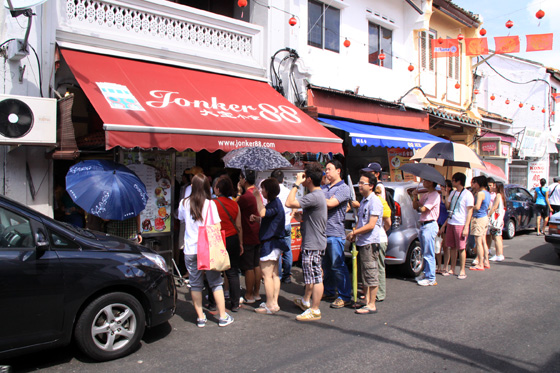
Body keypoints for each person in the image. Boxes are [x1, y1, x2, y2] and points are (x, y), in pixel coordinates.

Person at [178, 173, 234, 328]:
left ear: (192, 186)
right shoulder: (210, 204)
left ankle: (200, 318)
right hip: (208, 249)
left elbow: (181, 219)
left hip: (190, 248)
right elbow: (218, 226)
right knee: (215, 282)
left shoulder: (184, 203)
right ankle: (222, 316)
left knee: (195, 284)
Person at [286, 162, 327, 322]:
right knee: (311, 276)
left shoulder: (314, 196)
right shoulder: (317, 195)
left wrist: (296, 184)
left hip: (313, 243)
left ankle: (315, 309)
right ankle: (305, 301)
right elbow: (315, 218)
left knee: (315, 278)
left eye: (304, 177)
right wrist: (301, 218)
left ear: (308, 179)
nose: (302, 179)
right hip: (315, 241)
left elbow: (289, 202)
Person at [252, 178, 290, 314]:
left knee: (267, 275)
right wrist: (258, 219)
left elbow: (262, 213)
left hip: (270, 243)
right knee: (274, 275)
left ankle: (270, 304)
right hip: (275, 242)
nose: (261, 191)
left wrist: (257, 197)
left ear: (268, 191)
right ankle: (274, 302)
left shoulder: (274, 203)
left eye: (263, 189)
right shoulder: (275, 203)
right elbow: (267, 217)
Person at [346, 173, 382, 314]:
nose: (360, 185)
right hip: (362, 242)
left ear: (371, 186)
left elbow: (371, 224)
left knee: (371, 272)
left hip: (370, 242)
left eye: (363, 183)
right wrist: (356, 233)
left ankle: (372, 304)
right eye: (359, 183)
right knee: (365, 273)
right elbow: (361, 222)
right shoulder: (364, 201)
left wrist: (355, 233)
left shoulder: (375, 201)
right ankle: (366, 301)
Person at [322, 160, 353, 309]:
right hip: (323, 233)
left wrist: (318, 198)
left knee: (338, 266)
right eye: (326, 169)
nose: (326, 172)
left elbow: (330, 204)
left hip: (335, 233)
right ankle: (328, 291)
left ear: (338, 171)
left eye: (329, 169)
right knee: (326, 266)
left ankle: (345, 295)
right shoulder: (325, 188)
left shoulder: (343, 188)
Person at [214, 175, 244, 312]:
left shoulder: (213, 203)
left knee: (214, 271)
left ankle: (213, 302)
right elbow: (239, 227)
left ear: (218, 189)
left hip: (217, 240)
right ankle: (235, 303)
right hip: (232, 239)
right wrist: (241, 243)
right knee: (233, 272)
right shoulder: (235, 204)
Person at [237, 170, 262, 303]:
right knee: (256, 264)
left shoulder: (246, 196)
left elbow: (235, 206)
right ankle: (257, 293)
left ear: (244, 180)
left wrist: (238, 192)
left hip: (248, 234)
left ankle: (249, 294)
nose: (239, 181)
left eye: (240, 178)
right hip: (258, 232)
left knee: (249, 267)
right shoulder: (257, 192)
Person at [443, 172, 474, 280]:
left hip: (460, 223)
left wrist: (466, 226)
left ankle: (462, 270)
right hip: (451, 222)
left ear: (458, 181)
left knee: (461, 248)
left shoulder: (468, 194)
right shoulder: (453, 193)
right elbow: (448, 206)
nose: (452, 182)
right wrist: (446, 195)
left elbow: (470, 211)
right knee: (452, 246)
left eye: (453, 180)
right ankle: (452, 268)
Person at [412, 179, 440, 286]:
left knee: (429, 252)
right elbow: (416, 206)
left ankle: (431, 277)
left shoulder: (435, 195)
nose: (424, 182)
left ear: (432, 182)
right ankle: (426, 273)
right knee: (425, 252)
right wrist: (415, 196)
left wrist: (419, 205)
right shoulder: (427, 194)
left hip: (430, 224)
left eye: (426, 180)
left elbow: (423, 209)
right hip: (424, 225)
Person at [270, 170, 294, 284]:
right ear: (283, 179)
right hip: (287, 223)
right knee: (287, 249)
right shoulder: (289, 191)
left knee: (277, 251)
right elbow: (294, 206)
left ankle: (277, 276)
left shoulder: (272, 192)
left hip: (276, 225)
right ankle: (287, 275)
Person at [470, 176, 491, 271]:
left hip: (478, 218)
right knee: (483, 241)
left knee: (478, 242)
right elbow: (489, 206)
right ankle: (486, 261)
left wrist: (470, 206)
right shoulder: (487, 193)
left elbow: (477, 207)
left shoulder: (480, 193)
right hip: (485, 217)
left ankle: (480, 263)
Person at [375, 183, 391, 302]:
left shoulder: (381, 202)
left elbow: (388, 222)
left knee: (379, 267)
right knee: (372, 268)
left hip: (380, 239)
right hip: (372, 239)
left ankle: (379, 293)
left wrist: (381, 229)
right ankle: (373, 292)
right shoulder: (368, 201)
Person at [436, 180, 451, 275]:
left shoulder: (450, 198)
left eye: (444, 186)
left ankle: (445, 266)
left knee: (446, 247)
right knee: (438, 246)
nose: (441, 188)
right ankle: (439, 266)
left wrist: (445, 196)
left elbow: (448, 210)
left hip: (447, 223)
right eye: (441, 186)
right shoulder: (438, 197)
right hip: (438, 222)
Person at [489, 182, 506, 262]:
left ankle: (498, 254)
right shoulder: (501, 195)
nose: (492, 187)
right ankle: (499, 253)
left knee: (496, 237)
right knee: (498, 237)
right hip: (499, 219)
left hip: (496, 219)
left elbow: (495, 207)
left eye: (494, 186)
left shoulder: (498, 195)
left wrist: (488, 215)